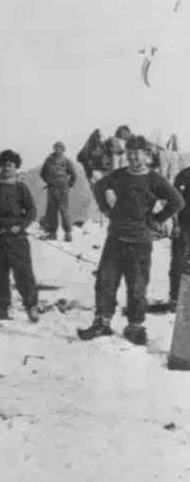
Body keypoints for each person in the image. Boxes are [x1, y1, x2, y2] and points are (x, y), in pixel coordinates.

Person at [79, 135, 183, 345]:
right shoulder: (118, 175)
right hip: (115, 238)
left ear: (147, 155)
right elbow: (99, 188)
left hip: (140, 241)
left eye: (138, 153)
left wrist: (157, 219)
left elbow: (177, 201)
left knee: (137, 286)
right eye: (130, 153)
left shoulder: (154, 179)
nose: (133, 157)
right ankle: (102, 323)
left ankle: (135, 326)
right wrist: (107, 210)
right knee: (105, 281)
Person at [0, 150, 39, 322]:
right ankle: (2, 308)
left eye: (10, 164)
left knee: (24, 272)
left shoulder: (21, 187)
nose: (7, 167)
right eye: (4, 164)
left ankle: (31, 306)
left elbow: (32, 211)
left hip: (16, 237)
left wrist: (20, 226)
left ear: (16, 167)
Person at [39, 141, 78, 241]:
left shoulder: (66, 161)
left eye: (60, 148)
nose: (58, 149)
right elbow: (42, 173)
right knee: (51, 211)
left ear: (63, 149)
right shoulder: (49, 160)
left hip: (63, 189)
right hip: (51, 188)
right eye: (56, 147)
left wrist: (68, 185)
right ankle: (52, 233)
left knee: (64, 210)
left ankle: (68, 233)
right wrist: (48, 181)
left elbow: (73, 175)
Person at [169, 162, 190, 309]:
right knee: (179, 263)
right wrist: (175, 224)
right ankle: (175, 298)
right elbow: (174, 202)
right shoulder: (183, 176)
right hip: (184, 227)